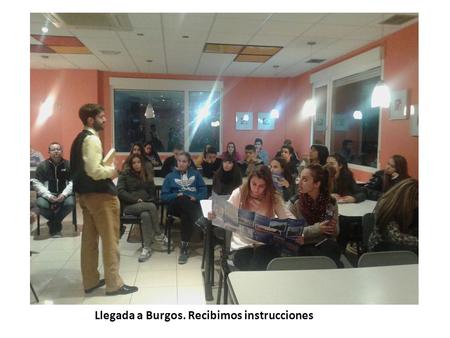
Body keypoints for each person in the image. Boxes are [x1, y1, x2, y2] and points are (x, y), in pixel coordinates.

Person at [70, 103, 138, 296]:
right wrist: (113, 170)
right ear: (91, 119)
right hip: (101, 197)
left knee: (89, 241)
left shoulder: (78, 139)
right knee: (110, 241)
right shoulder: (92, 139)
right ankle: (114, 284)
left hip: (85, 196)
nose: (105, 120)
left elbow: (83, 169)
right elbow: (94, 171)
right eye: (102, 117)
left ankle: (90, 280)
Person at [227, 166, 295, 271]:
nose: (256, 189)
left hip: (265, 244)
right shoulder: (239, 193)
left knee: (261, 259)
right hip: (242, 244)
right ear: (249, 181)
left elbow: (285, 219)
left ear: (267, 186)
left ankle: (253, 285)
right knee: (246, 261)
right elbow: (227, 216)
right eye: (254, 184)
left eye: (261, 186)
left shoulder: (273, 197)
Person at [287, 164, 342, 267]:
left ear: (317, 184)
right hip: (303, 245)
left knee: (331, 249)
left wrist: (333, 228)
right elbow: (290, 232)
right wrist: (317, 229)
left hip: (324, 243)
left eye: (305, 180)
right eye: (300, 178)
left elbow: (336, 234)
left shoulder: (331, 202)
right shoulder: (295, 203)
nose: (299, 183)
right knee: (321, 259)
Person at [161, 152, 207, 264]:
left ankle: (184, 247)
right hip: (175, 205)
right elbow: (164, 197)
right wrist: (176, 195)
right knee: (182, 198)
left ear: (189, 163)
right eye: (179, 161)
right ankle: (200, 219)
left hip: (191, 205)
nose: (181, 163)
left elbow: (204, 192)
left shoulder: (195, 175)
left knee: (186, 214)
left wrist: (195, 197)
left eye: (184, 161)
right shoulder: (170, 176)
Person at [117, 154, 165, 262]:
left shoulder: (146, 174)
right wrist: (135, 199)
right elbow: (120, 191)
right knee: (151, 207)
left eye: (138, 162)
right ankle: (159, 233)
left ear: (141, 163)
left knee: (146, 215)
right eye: (134, 163)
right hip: (129, 206)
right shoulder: (124, 174)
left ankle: (146, 248)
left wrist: (149, 199)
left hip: (144, 205)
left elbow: (152, 192)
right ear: (130, 164)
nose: (136, 165)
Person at [31, 142, 74, 237]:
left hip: (64, 193)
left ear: (62, 151)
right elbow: (37, 183)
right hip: (48, 194)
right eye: (53, 149)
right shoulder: (42, 166)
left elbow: (73, 182)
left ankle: (54, 222)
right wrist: (49, 196)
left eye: (58, 149)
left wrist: (64, 194)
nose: (56, 151)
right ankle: (55, 222)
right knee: (40, 205)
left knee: (71, 203)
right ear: (49, 152)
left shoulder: (68, 164)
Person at [368, 178, 418, 254]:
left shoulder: (412, 207)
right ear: (408, 198)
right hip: (382, 246)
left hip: (406, 243)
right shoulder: (388, 207)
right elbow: (395, 237)